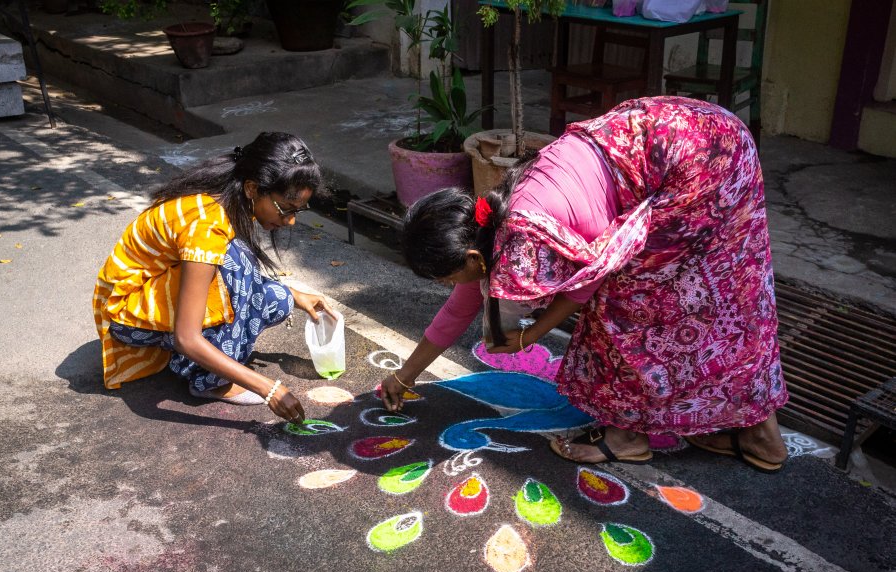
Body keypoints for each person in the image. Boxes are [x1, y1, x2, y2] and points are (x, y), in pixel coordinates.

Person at [380, 97, 789, 472]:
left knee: (625, 307)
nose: (449, 285)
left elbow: (591, 281)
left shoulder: (523, 231)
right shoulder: (488, 220)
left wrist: (530, 336)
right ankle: (759, 433)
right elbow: (461, 305)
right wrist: (405, 376)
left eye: (445, 277)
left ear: (470, 259)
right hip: (713, 135)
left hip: (697, 166)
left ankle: (626, 436)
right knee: (728, 300)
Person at [93, 132, 332, 424]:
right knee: (234, 268)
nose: (290, 221)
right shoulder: (207, 224)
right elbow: (186, 337)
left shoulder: (228, 198)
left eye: (298, 211)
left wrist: (295, 295)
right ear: (252, 188)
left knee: (278, 299)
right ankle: (209, 380)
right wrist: (267, 388)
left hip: (157, 293)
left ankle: (207, 361)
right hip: (124, 313)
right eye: (286, 209)